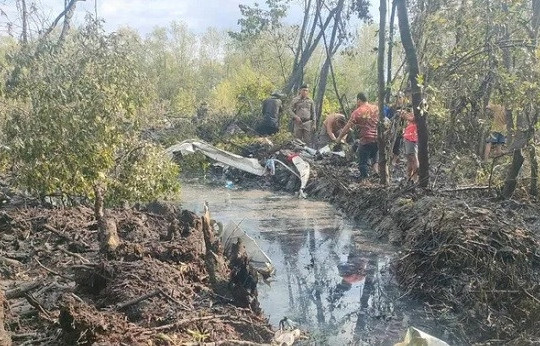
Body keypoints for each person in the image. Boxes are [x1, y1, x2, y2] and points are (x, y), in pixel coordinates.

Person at [336, 92, 379, 178]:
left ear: (359, 100)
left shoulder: (358, 112)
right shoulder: (376, 108)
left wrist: (339, 137)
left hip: (366, 140)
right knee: (375, 159)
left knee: (363, 163)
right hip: (377, 138)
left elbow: (347, 127)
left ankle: (365, 181)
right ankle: (376, 173)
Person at [400, 107, 418, 182]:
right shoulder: (411, 112)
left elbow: (414, 119)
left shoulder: (419, 109)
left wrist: (405, 115)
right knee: (409, 159)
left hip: (412, 137)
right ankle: (409, 178)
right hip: (408, 137)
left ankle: (415, 179)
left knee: (413, 158)